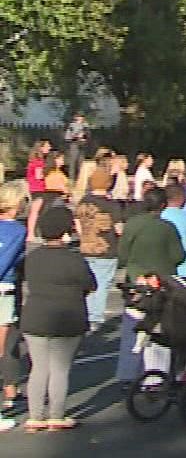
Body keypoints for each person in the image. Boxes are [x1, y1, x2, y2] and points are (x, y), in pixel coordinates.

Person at [18, 205, 93, 432]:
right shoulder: (74, 260)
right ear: (66, 231)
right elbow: (90, 285)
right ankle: (56, 415)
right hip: (68, 317)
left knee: (38, 367)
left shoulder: (31, 258)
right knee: (59, 369)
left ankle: (35, 416)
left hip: (35, 316)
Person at [115, 186, 186, 384]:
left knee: (133, 328)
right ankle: (157, 377)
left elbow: (122, 254)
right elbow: (179, 256)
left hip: (136, 282)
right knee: (160, 330)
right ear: (163, 205)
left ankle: (127, 374)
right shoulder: (167, 227)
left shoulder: (132, 225)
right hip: (161, 283)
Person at [71, 169, 122, 331]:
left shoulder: (83, 201)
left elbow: (78, 224)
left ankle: (86, 313)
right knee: (101, 283)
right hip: (106, 248)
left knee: (87, 283)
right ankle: (95, 316)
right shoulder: (111, 205)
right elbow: (119, 228)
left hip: (86, 247)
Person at [0, 180, 26, 426]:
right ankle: (8, 396)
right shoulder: (17, 231)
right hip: (5, 289)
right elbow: (6, 260)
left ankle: (12, 389)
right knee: (4, 347)